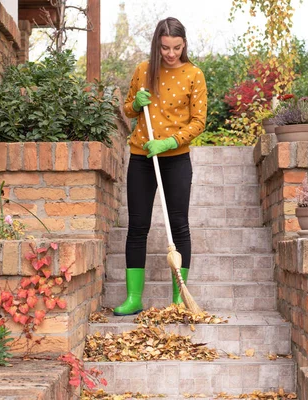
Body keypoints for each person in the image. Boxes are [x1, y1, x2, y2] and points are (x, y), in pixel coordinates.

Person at [114, 17, 207, 316]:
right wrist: (136, 104)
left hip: (175, 158)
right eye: (165, 47)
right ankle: (133, 298)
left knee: (179, 226)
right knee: (137, 226)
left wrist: (169, 142)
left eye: (176, 47)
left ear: (184, 45)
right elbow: (127, 109)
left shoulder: (194, 74)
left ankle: (179, 299)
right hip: (142, 156)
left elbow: (199, 122)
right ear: (157, 45)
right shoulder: (144, 71)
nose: (170, 54)